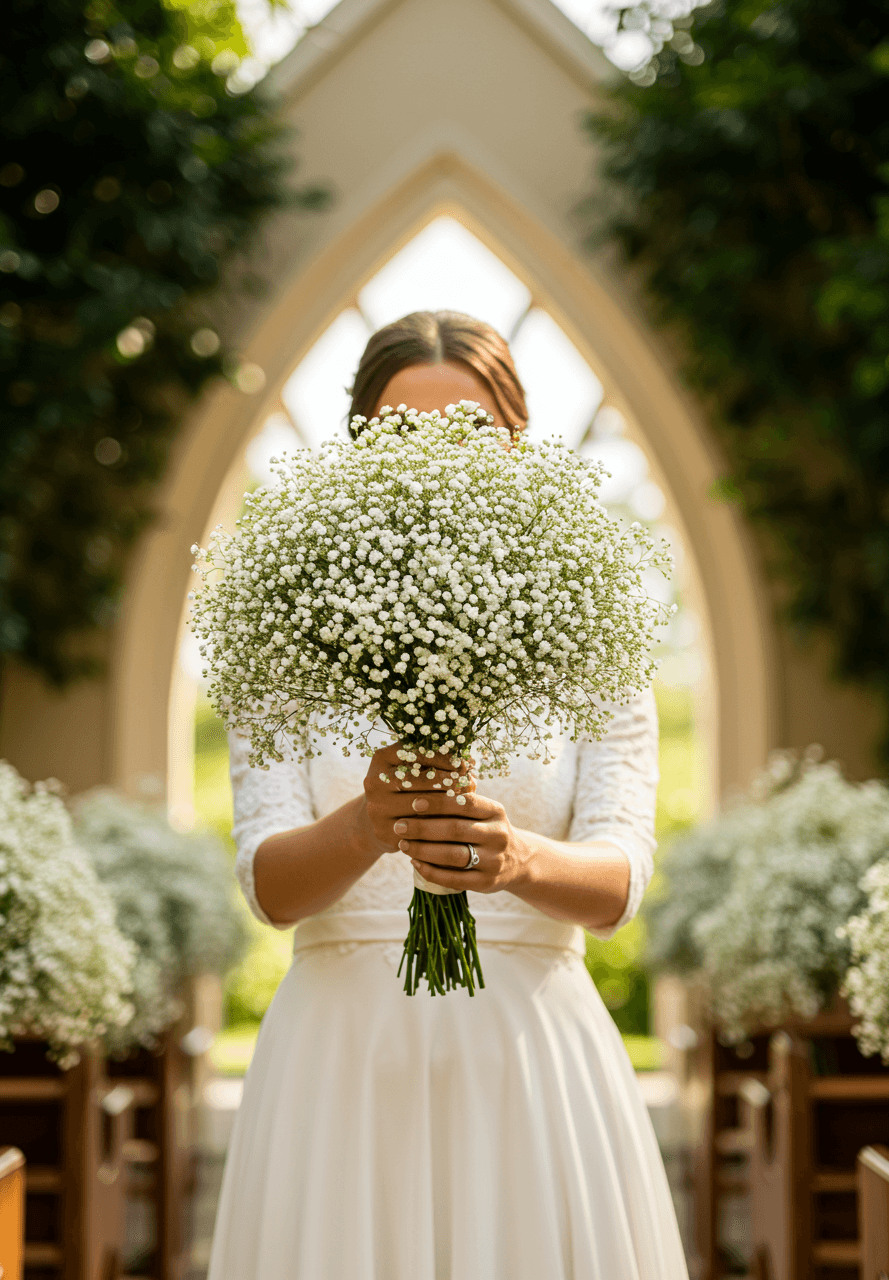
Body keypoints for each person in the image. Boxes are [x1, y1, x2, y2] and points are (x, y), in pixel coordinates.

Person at [207, 311, 689, 1280]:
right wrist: (363, 825)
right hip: (336, 1060)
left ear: (513, 442)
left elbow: (620, 877)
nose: (433, 458)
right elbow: (268, 885)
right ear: (359, 447)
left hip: (529, 1060)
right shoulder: (287, 621)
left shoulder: (593, 616)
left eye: (466, 433)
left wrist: (515, 860)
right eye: (401, 432)